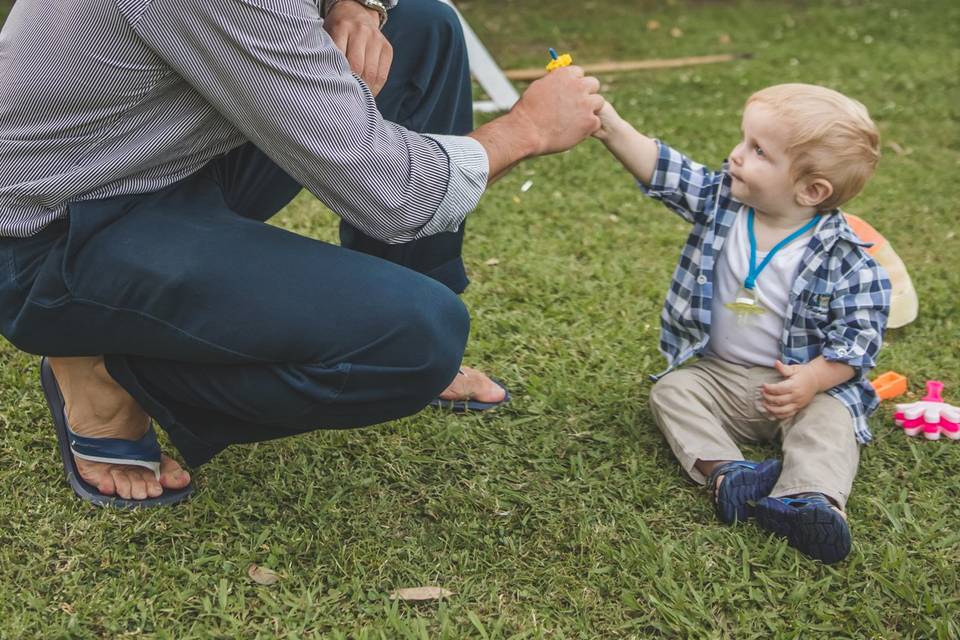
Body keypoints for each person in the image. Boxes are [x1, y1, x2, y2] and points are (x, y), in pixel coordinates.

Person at [0, 0, 604, 507]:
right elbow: (396, 192)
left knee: (421, 26)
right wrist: (528, 129)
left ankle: (404, 283)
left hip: (156, 153)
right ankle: (108, 372)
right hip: (57, 227)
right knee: (415, 339)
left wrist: (359, 5)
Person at [594, 83, 890, 563]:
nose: (735, 156)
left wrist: (813, 378)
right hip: (720, 375)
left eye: (757, 151)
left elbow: (857, 344)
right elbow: (666, 169)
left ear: (811, 190)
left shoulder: (850, 261)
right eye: (743, 140)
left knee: (830, 423)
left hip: (801, 388)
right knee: (671, 391)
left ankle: (810, 499)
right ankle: (728, 472)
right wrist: (609, 123)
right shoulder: (722, 205)